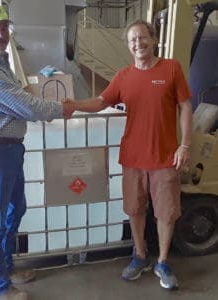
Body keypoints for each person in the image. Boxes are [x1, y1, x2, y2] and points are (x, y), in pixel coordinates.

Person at [63, 19, 192, 290]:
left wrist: (185, 145)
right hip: (132, 158)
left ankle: (163, 262)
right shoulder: (123, 76)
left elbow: (185, 106)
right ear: (129, 45)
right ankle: (141, 256)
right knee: (134, 210)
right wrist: (73, 105)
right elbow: (100, 102)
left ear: (153, 39)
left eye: (143, 37)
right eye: (133, 40)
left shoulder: (171, 69)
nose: (138, 43)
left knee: (166, 214)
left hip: (165, 158)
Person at [0, 4, 73, 300]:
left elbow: (21, 98)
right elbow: (26, 106)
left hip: (8, 150)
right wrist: (65, 108)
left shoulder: (1, 61)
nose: (1, 34)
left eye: (4, 28)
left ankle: (7, 265)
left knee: (16, 209)